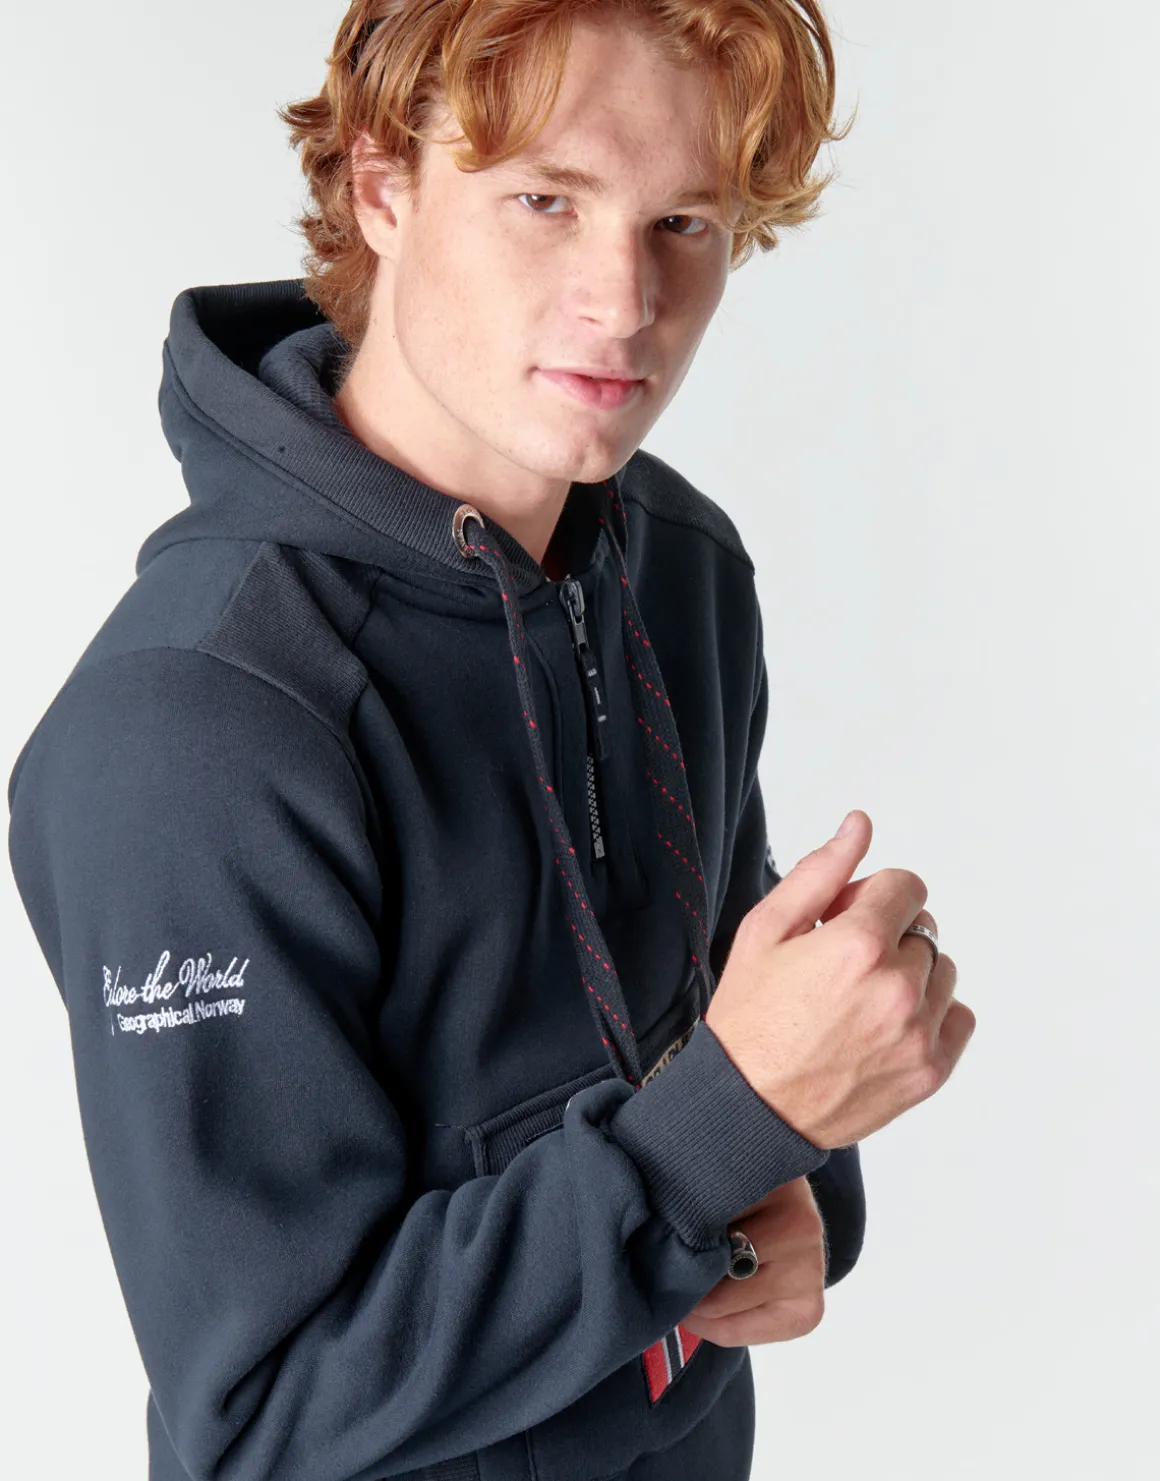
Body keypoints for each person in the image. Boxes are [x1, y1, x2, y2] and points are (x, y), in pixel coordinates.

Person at [6, 3, 976, 1479]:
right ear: (382, 186)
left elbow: (720, 1042)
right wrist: (726, 1134)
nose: (624, 299)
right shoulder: (192, 725)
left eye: (684, 223)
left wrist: (793, 1185)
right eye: (545, 201)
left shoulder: (679, 567)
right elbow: (266, 1421)